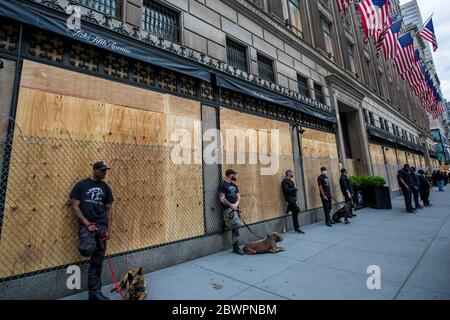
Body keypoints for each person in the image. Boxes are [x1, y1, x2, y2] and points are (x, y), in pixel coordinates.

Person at [70, 161, 114, 300]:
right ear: (94, 170)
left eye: (105, 170)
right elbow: (75, 206)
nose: (104, 172)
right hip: (87, 224)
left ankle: (95, 293)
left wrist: (107, 229)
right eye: (102, 170)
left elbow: (109, 210)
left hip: (101, 225)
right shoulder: (81, 185)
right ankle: (92, 245)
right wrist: (87, 224)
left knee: (97, 261)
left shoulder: (106, 188)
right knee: (86, 249)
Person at [218, 169, 244, 255]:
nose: (235, 176)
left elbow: (238, 196)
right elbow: (222, 199)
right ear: (230, 175)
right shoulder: (222, 185)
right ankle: (226, 224)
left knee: (236, 227)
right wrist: (231, 205)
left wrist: (236, 204)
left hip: (235, 208)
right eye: (234, 174)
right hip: (228, 209)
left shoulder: (234, 185)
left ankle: (235, 247)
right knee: (236, 224)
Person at [281, 169, 305, 234]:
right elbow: (286, 190)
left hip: (293, 199)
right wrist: (295, 188)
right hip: (289, 199)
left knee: (295, 213)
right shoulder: (285, 181)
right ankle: (289, 207)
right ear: (288, 173)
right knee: (297, 210)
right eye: (292, 173)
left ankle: (297, 228)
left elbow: (292, 190)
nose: (293, 174)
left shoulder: (291, 181)